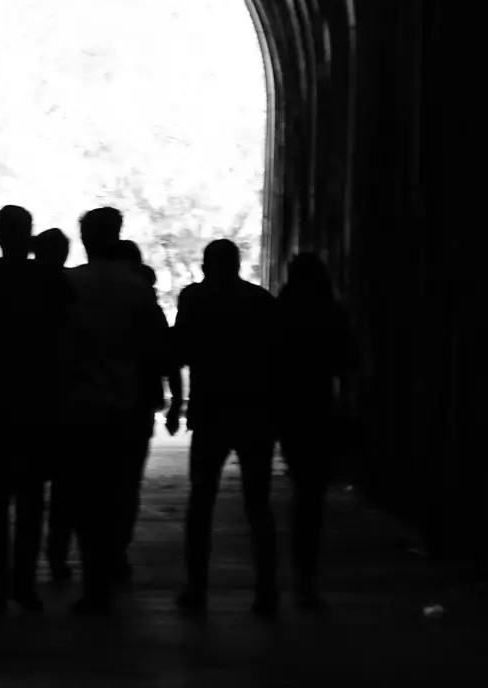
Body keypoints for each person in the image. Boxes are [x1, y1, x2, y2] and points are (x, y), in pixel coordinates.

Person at [0, 206, 73, 614]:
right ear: (28, 235)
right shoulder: (51, 283)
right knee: (30, 503)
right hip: (37, 406)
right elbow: (65, 345)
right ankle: (24, 586)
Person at [170, 238, 279, 617]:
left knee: (201, 501)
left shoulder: (195, 299)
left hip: (211, 411)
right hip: (254, 412)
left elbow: (179, 350)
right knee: (258, 504)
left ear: (206, 265)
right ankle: (267, 592)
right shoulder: (261, 301)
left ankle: (196, 588)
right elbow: (277, 358)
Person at [64, 210, 160, 615]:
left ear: (84, 238)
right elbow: (154, 347)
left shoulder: (69, 285)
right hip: (128, 407)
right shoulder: (136, 288)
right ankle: (115, 554)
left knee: (87, 500)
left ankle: (93, 583)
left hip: (82, 408)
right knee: (122, 492)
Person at [274, 252, 358, 610]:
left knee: (299, 490)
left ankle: (288, 577)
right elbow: (349, 363)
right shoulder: (331, 313)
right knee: (311, 498)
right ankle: (305, 581)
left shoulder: (280, 312)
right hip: (319, 410)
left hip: (288, 411)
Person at [109, 239, 184, 584]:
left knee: (95, 481)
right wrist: (175, 402)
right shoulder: (145, 304)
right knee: (126, 482)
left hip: (96, 402)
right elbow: (166, 356)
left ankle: (89, 551)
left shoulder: (91, 297)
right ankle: (116, 550)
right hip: (136, 403)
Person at [31, 228, 78, 582]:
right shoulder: (71, 289)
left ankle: (22, 565)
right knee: (65, 489)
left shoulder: (19, 288)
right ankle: (57, 553)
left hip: (27, 402)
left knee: (27, 488)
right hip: (65, 400)